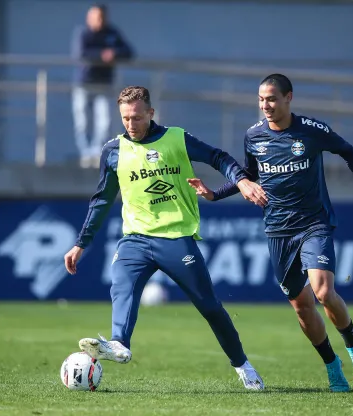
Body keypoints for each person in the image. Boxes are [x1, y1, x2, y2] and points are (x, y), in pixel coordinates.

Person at [187, 74, 353, 393]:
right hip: (277, 230)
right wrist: (214, 194)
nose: (265, 105)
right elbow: (250, 175)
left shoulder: (311, 131)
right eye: (261, 100)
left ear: (288, 98)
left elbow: (347, 150)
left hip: (313, 223)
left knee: (322, 291)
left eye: (271, 99)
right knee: (302, 305)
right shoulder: (253, 136)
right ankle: (332, 366)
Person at [63, 86, 267, 390]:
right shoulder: (114, 151)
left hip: (175, 237)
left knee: (210, 307)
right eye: (125, 118)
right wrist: (81, 243)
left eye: (136, 117)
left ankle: (243, 366)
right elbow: (102, 200)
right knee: (122, 286)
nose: (131, 124)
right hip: (135, 238)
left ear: (150, 113)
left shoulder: (176, 139)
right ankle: (118, 342)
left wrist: (242, 179)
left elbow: (217, 156)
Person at [71, 4, 134, 168]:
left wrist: (114, 53)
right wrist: (101, 55)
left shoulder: (112, 33)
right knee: (82, 121)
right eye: (96, 17)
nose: (99, 20)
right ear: (89, 17)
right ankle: (86, 154)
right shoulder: (83, 34)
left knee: (104, 121)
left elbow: (128, 51)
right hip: (84, 84)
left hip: (105, 83)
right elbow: (80, 54)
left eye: (101, 17)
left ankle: (96, 153)